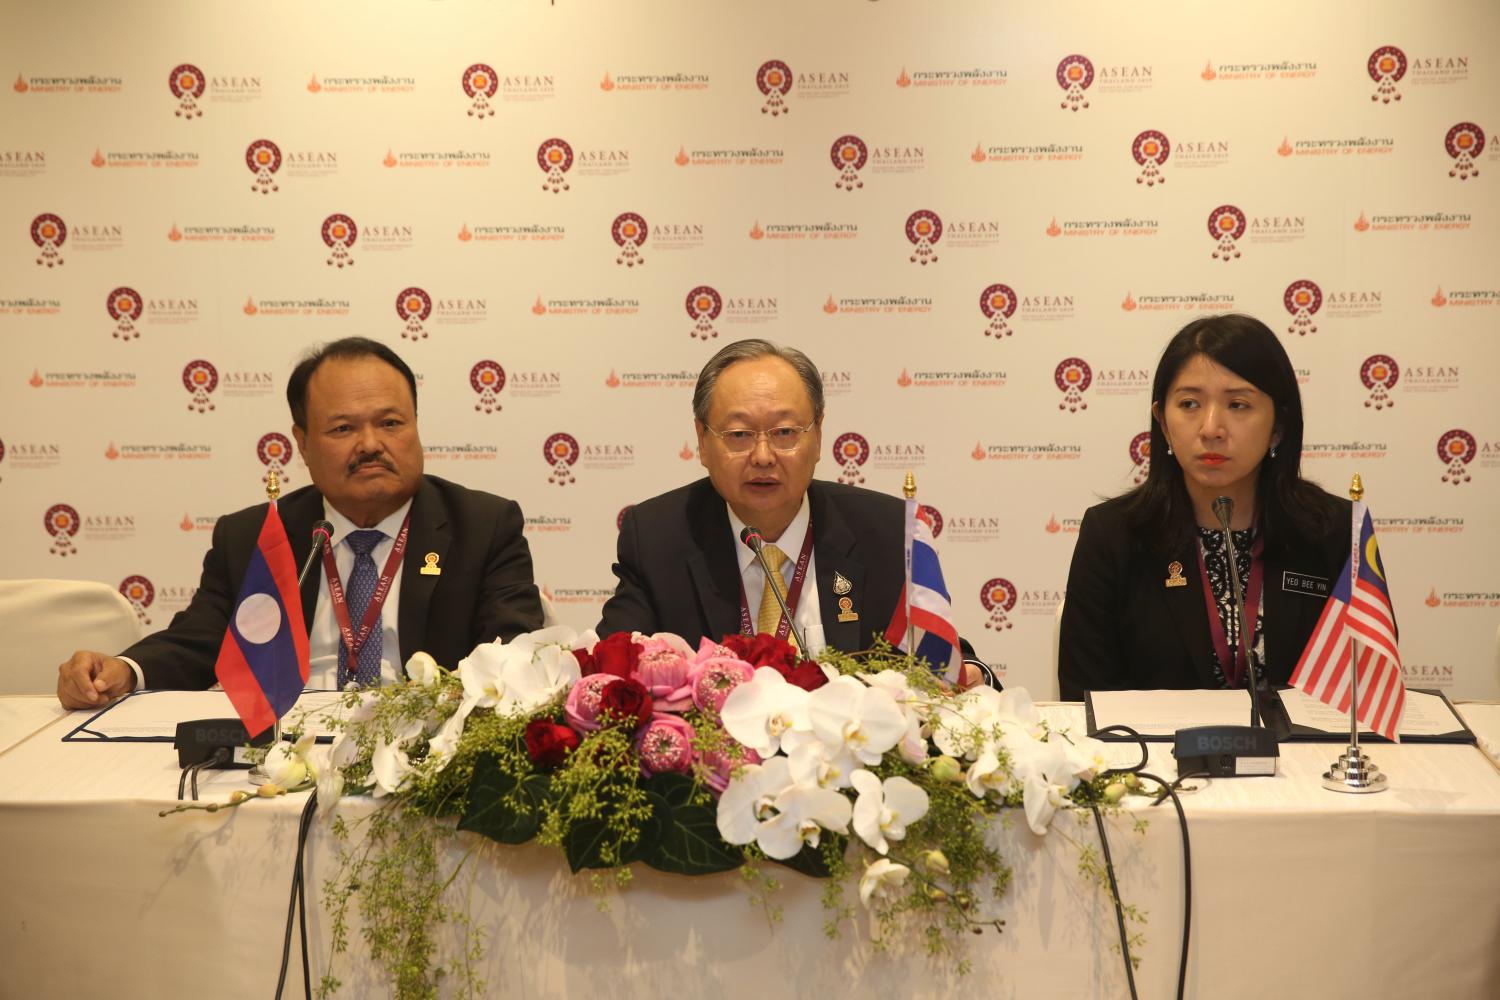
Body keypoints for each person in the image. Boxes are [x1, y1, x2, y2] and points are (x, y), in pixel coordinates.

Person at [57, 337, 544, 708]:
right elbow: (199, 641)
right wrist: (121, 669)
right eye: (343, 428)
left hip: (425, 753)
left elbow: (514, 655)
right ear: (303, 443)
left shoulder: (483, 526)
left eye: (392, 423)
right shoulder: (255, 536)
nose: (371, 443)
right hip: (282, 748)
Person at [599, 338, 983, 679]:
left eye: (785, 433)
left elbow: (951, 663)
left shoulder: (884, 533)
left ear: (817, 436)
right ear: (702, 440)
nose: (763, 456)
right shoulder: (656, 538)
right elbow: (610, 670)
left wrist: (971, 676)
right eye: (739, 435)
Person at [1058, 314, 1353, 701]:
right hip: (1153, 760)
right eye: (1190, 403)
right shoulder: (1112, 535)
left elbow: (1363, 693)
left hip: (1303, 759)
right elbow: (1085, 701)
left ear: (1278, 425)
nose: (1211, 427)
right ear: (1163, 422)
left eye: (1238, 404)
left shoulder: (1332, 530)